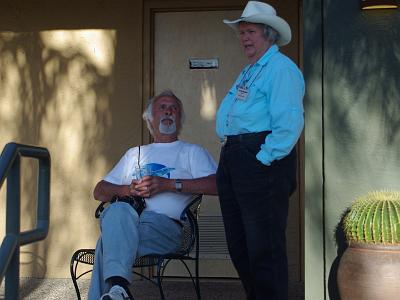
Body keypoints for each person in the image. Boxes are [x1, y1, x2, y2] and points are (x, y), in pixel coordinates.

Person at [88, 90, 217, 300]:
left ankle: (118, 290)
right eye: (162, 108)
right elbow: (99, 191)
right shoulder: (134, 154)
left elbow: (218, 185)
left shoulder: (192, 152)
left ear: (179, 119)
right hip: (129, 222)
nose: (168, 112)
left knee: (108, 243)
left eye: (173, 108)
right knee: (119, 209)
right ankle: (118, 291)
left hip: (168, 229)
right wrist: (127, 190)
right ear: (150, 118)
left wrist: (169, 184)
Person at [215, 2, 305, 300]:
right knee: (239, 244)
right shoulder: (251, 70)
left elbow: (288, 124)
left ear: (269, 34)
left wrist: (261, 160)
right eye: (242, 33)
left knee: (264, 247)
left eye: (251, 32)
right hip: (235, 158)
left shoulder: (281, 69)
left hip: (260, 159)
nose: (245, 38)